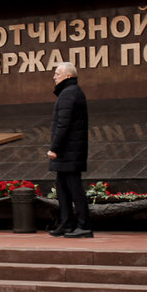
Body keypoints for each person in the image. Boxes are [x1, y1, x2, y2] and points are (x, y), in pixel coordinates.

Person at [47, 62, 93, 238]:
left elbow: (63, 124)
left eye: (57, 74)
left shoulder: (69, 94)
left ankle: (84, 226)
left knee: (74, 189)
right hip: (69, 151)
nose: (54, 77)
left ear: (68, 76)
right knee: (62, 188)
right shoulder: (70, 92)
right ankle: (67, 224)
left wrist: (54, 148)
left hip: (68, 151)